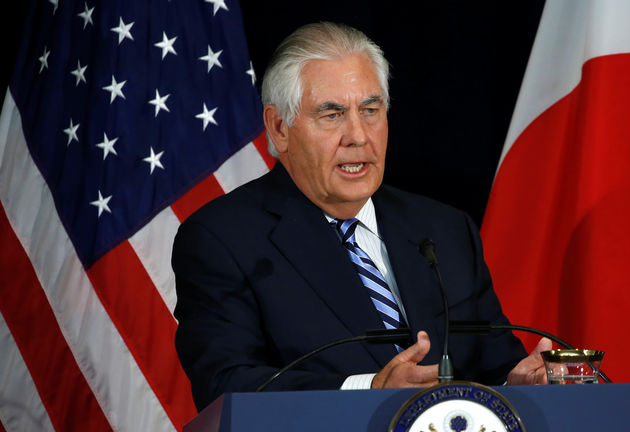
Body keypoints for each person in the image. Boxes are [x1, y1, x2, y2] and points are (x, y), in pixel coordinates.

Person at [173, 21, 549, 411]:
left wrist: (518, 381)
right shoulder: (223, 240)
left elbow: (493, 363)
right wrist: (368, 391)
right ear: (279, 128)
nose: (358, 135)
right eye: (332, 115)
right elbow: (225, 385)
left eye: (370, 110)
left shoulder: (444, 231)